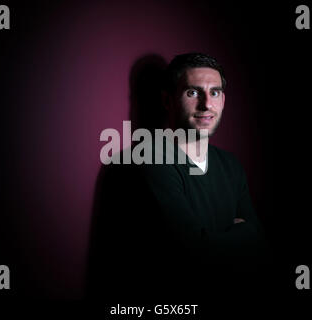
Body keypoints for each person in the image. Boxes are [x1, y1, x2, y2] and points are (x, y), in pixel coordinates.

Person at [86, 53, 271, 300]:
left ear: (223, 100)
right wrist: (240, 235)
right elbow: (192, 255)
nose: (206, 104)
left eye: (214, 92)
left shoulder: (231, 165)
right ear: (167, 99)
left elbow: (259, 243)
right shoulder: (151, 159)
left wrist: (220, 240)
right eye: (193, 93)